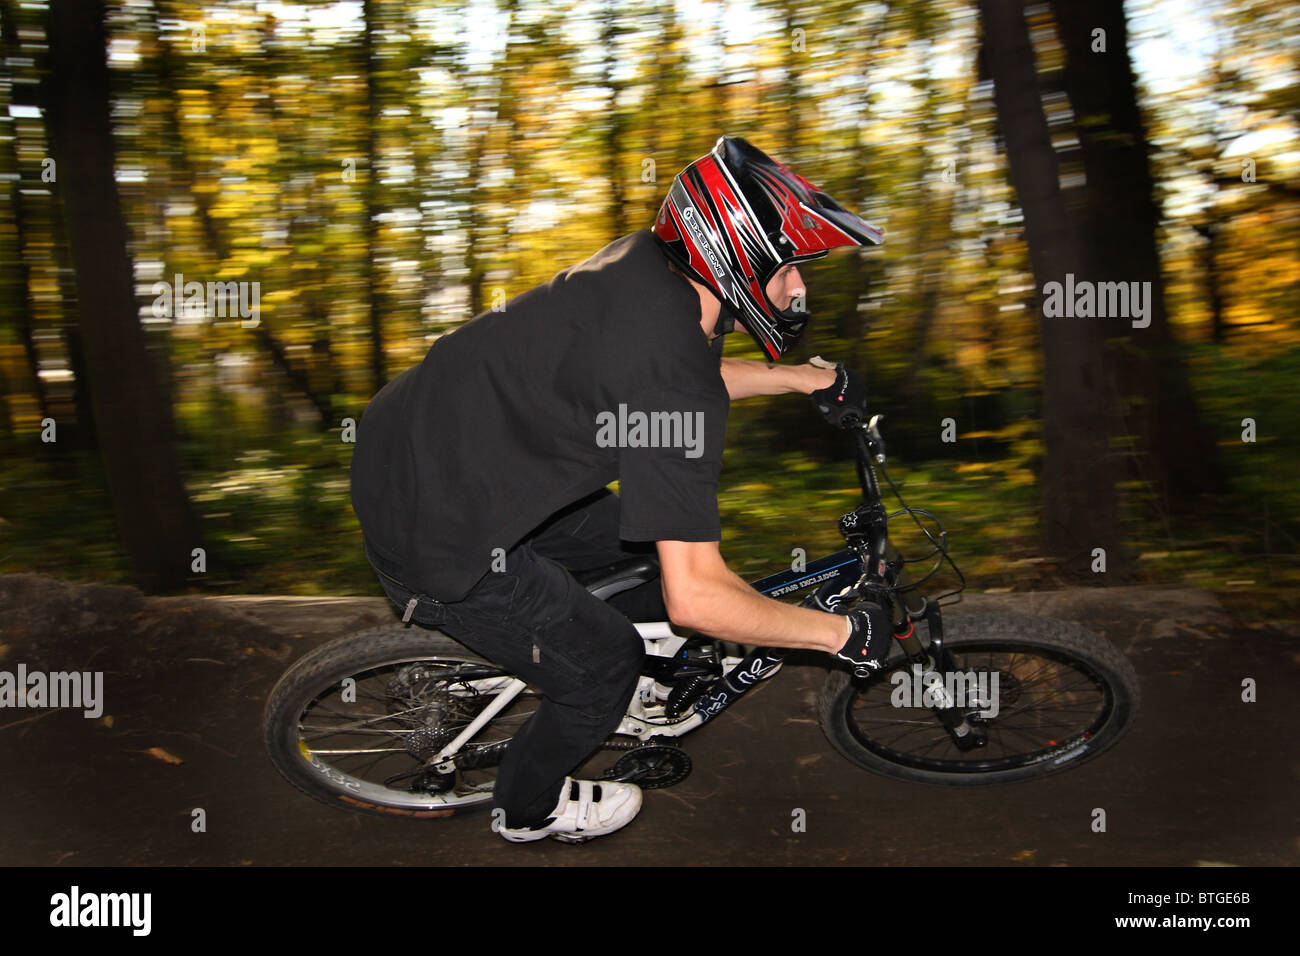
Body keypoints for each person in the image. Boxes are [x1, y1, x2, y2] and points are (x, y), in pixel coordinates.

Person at [349, 135, 892, 845]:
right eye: (788, 268)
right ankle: (527, 809)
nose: (798, 290)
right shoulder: (671, 382)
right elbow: (695, 595)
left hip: (421, 445)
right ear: (733, 262)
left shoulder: (651, 272)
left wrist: (799, 378)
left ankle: (608, 661)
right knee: (606, 666)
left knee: (633, 546)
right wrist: (841, 635)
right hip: (440, 535)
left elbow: (665, 380)